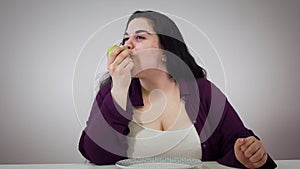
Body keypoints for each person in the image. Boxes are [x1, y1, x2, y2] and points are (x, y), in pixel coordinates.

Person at [78, 10, 277, 168]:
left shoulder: (204, 92)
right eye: (125, 39)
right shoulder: (112, 92)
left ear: (165, 51)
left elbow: (237, 141)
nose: (127, 45)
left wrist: (247, 154)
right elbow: (97, 155)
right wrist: (119, 89)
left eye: (140, 37)